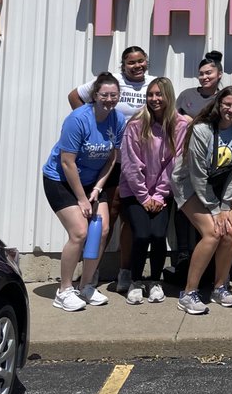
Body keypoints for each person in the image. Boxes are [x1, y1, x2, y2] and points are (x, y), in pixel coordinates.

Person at [66, 46, 151, 294]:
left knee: (129, 218)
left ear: (147, 62)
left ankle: (125, 272)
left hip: (139, 164)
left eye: (140, 61)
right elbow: (74, 95)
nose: (137, 66)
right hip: (110, 162)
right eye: (131, 62)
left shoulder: (152, 85)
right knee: (105, 217)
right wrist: (90, 123)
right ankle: (92, 271)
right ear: (122, 65)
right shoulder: (112, 84)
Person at [170, 86, 232, 314]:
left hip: (219, 186)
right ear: (218, 104)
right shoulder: (201, 130)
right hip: (188, 184)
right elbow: (197, 173)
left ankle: (220, 287)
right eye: (227, 104)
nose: (231, 109)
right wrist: (214, 209)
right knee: (213, 233)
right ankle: (189, 293)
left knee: (230, 234)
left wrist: (226, 204)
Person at [43, 72, 124, 311]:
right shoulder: (78, 119)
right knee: (79, 232)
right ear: (95, 95)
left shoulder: (117, 119)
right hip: (61, 180)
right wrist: (81, 199)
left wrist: (98, 187)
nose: (109, 99)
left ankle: (86, 286)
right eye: (104, 95)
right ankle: (64, 290)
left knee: (102, 231)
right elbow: (67, 162)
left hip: (92, 182)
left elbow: (112, 158)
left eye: (114, 95)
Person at [119, 77, 188, 305]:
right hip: (134, 192)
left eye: (159, 94)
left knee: (158, 236)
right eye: (151, 94)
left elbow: (175, 163)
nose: (154, 99)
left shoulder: (179, 125)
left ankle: (155, 281)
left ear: (168, 96)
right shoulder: (137, 124)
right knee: (141, 234)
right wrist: (143, 196)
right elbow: (130, 163)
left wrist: (158, 195)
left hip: (162, 193)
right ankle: (136, 281)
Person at [171, 50, 225, 281]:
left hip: (216, 166)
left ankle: (209, 266)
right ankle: (183, 257)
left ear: (219, 74)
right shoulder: (186, 96)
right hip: (185, 162)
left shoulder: (225, 98)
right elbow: (172, 123)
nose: (204, 77)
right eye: (201, 73)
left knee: (210, 214)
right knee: (184, 210)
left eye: (209, 73)